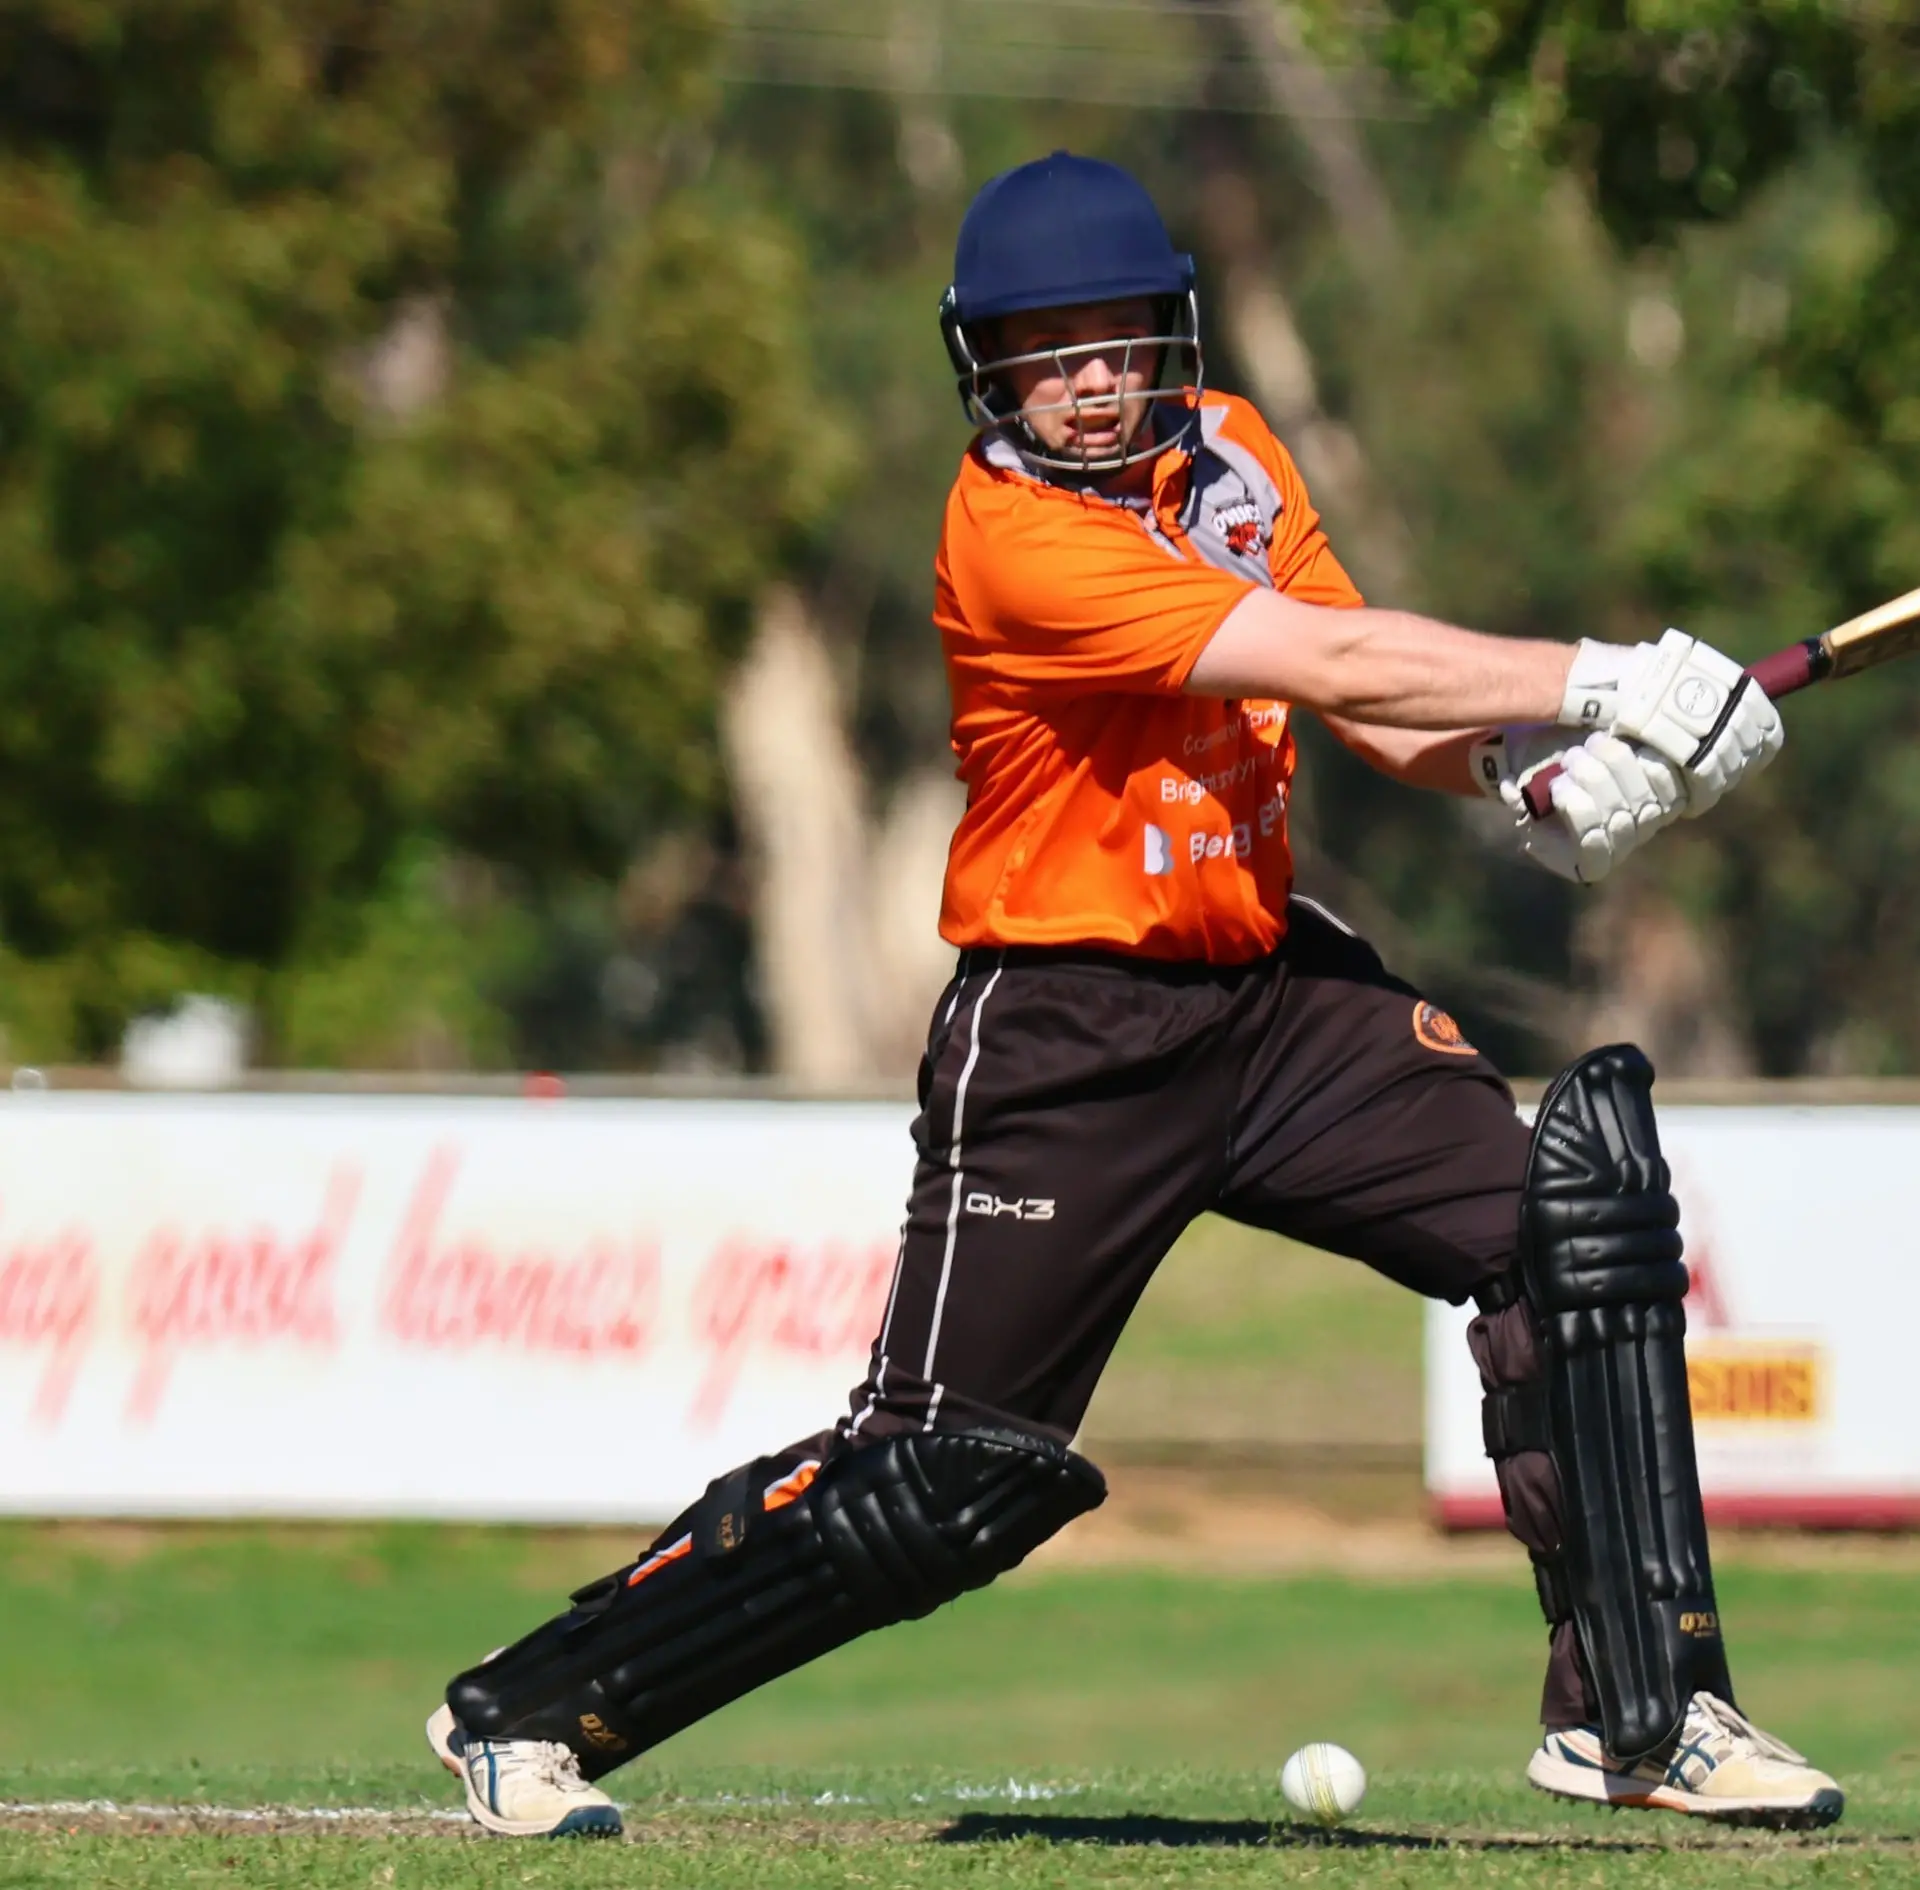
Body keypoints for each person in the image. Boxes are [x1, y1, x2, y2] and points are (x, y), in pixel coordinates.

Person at [421, 150, 1837, 1840]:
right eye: (1049, 350)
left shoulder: (1231, 447)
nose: (1093, 382)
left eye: (1116, 341)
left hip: (1267, 993)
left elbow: (1372, 694)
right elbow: (1310, 660)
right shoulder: (1013, 539)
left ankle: (1643, 1709)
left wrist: (1530, 774)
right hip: (1067, 1030)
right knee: (939, 1480)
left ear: (1170, 329)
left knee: (1572, 1215)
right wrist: (1607, 679)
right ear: (988, 368)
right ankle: (523, 1712)